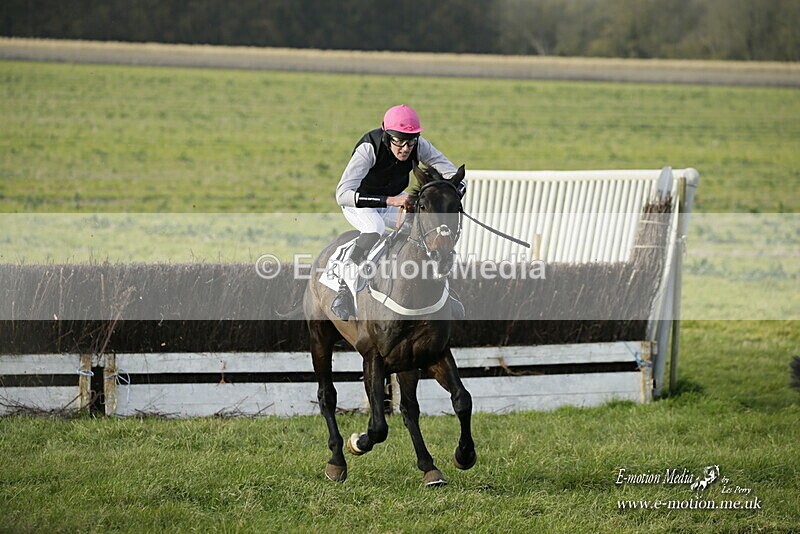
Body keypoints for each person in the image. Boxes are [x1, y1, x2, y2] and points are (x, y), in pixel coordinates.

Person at [331, 104, 466, 320]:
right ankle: (343, 291)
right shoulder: (368, 149)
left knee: (424, 229)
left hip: (392, 201)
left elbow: (453, 174)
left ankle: (443, 290)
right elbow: (342, 194)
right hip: (358, 203)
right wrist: (390, 200)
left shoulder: (419, 146)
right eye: (399, 142)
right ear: (386, 135)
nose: (405, 149)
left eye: (410, 142)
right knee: (374, 228)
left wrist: (446, 194)